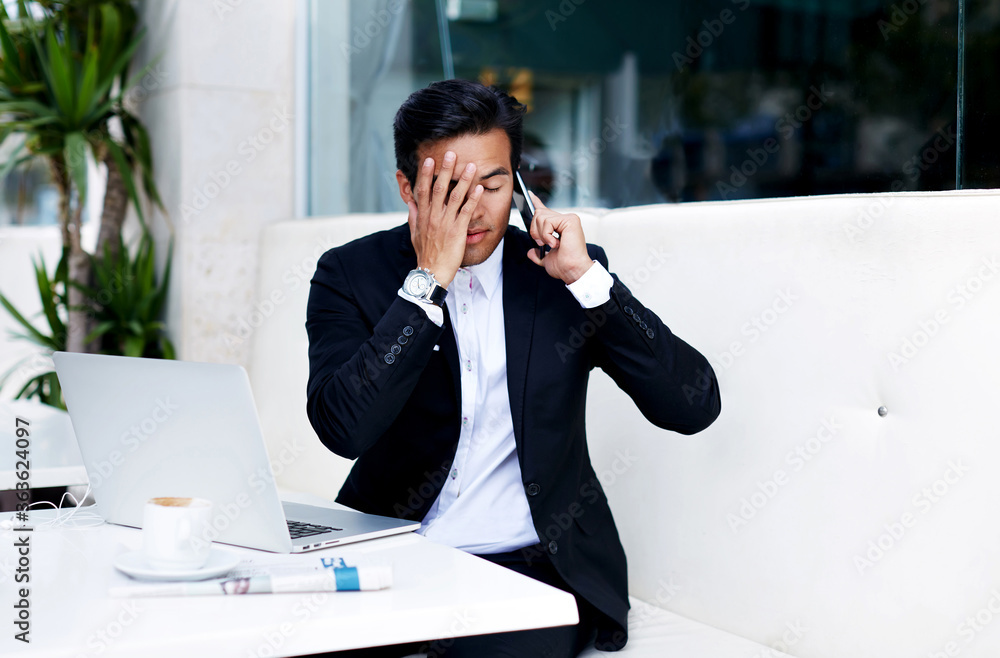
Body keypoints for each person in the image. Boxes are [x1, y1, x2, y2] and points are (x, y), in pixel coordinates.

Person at [305, 79, 721, 657]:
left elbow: (692, 405)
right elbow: (343, 429)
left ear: (520, 185)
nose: (475, 209)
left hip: (533, 566)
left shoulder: (563, 276)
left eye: (493, 185)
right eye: (450, 189)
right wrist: (427, 283)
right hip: (393, 554)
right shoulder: (350, 273)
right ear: (407, 188)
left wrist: (588, 282)